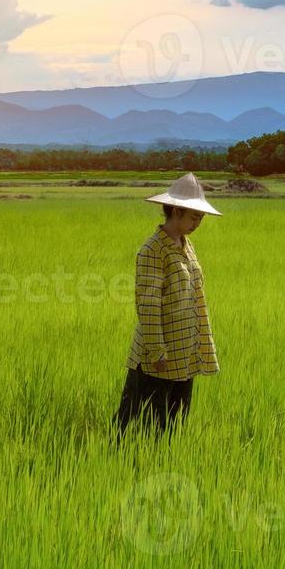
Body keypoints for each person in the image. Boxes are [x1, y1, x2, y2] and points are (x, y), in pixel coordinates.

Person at [113, 172, 221, 439]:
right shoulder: (152, 251)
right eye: (194, 216)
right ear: (175, 211)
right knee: (139, 426)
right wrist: (158, 352)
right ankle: (119, 467)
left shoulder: (186, 245)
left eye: (201, 217)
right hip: (158, 357)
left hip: (185, 350)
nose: (199, 222)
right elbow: (148, 306)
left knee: (173, 426)